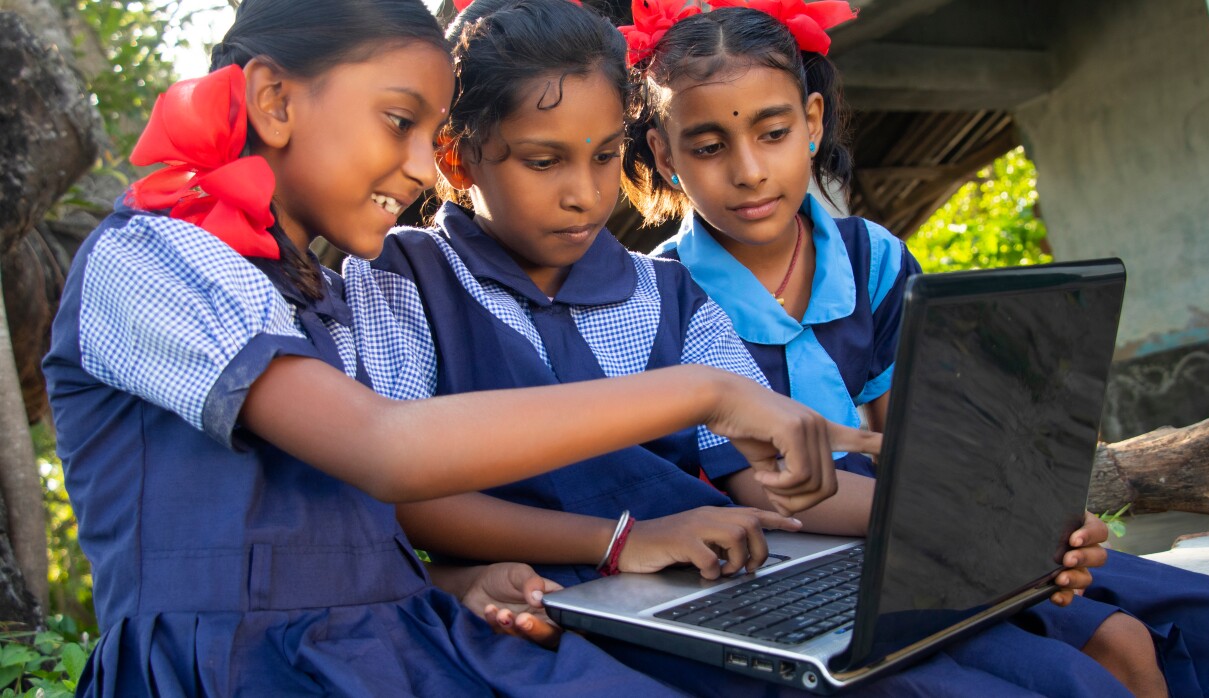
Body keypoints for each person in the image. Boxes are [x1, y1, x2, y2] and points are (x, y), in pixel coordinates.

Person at [40, 0, 873, 694]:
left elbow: (353, 529)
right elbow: (384, 453)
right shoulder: (149, 259)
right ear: (275, 102)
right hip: (232, 669)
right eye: (400, 122)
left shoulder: (315, 288)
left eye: (423, 132)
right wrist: (704, 391)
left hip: (396, 634)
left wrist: (458, 581)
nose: (416, 168)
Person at [348, 2, 1146, 696]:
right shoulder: (405, 280)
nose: (584, 193)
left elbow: (772, 482)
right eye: (544, 160)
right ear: (458, 159)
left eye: (600, 156)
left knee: (1052, 675)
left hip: (713, 585)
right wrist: (617, 542)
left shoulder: (664, 297)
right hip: (554, 600)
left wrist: (975, 523)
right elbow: (409, 494)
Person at [624, 3, 1209, 698]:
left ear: (814, 120)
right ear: (662, 153)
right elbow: (769, 490)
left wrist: (1023, 520)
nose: (749, 171)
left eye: (773, 133)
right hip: (793, 561)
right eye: (708, 147)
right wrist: (990, 525)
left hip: (926, 530)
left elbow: (913, 434)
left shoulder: (872, 258)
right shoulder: (662, 300)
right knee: (1113, 652)